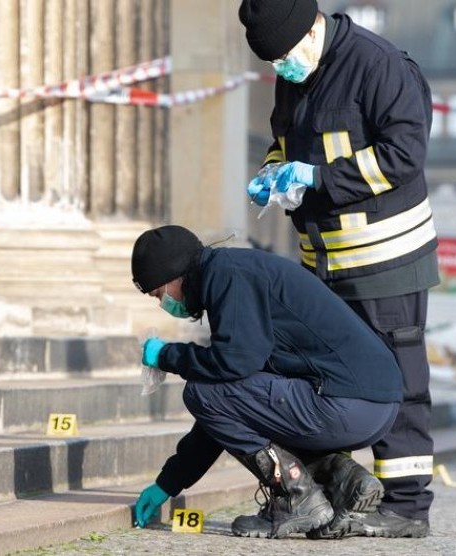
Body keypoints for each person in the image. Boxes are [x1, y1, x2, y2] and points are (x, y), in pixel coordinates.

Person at [238, 0, 438, 538]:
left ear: (311, 30)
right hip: (324, 262)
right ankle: (330, 495)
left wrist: (319, 179)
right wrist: (274, 173)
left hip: (387, 256)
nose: (281, 69)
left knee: (399, 381)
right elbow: (284, 140)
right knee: (322, 381)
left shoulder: (378, 65)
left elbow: (404, 154)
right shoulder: (295, 72)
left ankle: (406, 506)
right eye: (272, 63)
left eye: (283, 57)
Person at [130, 225, 403, 540]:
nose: (163, 303)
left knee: (202, 392)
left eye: (159, 294)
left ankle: (297, 498)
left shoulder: (226, 276)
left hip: (344, 403)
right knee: (229, 396)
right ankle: (342, 480)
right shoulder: (237, 271)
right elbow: (233, 404)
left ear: (173, 277)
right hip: (373, 406)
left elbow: (231, 366)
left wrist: (167, 355)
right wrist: (169, 482)